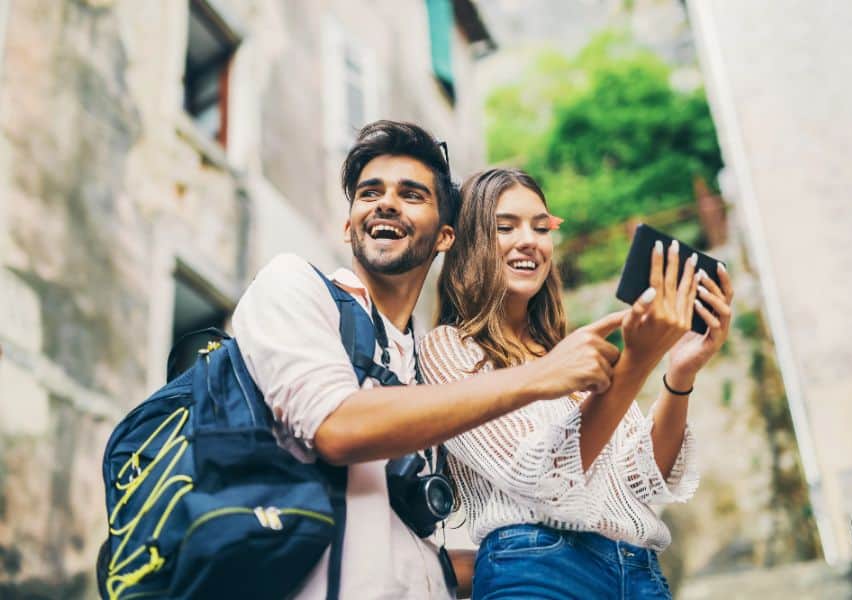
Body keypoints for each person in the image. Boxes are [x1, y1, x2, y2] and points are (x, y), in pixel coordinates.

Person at [229, 123, 630, 599]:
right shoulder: (295, 285)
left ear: (444, 237)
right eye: (369, 192)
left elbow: (407, 545)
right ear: (348, 225)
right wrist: (541, 375)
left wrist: (539, 562)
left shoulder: (425, 367)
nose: (386, 203)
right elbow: (337, 427)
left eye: (412, 194)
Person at [419, 168, 734, 599]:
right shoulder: (449, 350)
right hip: (538, 570)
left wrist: (679, 373)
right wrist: (636, 363)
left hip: (637, 570)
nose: (530, 240)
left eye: (541, 225)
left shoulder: (569, 354)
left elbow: (642, 480)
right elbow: (541, 477)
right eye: (505, 227)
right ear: (468, 243)